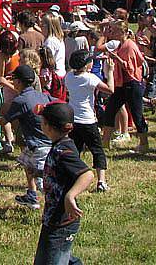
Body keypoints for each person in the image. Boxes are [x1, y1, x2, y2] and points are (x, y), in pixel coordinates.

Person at [34, 103, 95, 265]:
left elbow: (87, 174)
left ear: (49, 127)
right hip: (53, 217)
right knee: (56, 256)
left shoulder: (64, 150)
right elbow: (63, 173)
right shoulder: (60, 145)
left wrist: (71, 195)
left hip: (61, 221)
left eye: (42, 120)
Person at [0, 64, 53, 210]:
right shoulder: (42, 95)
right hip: (43, 142)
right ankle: (31, 195)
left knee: (43, 182)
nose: (12, 82)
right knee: (27, 164)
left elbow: (4, 121)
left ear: (18, 82)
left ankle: (60, 206)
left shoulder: (20, 100)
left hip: (39, 145)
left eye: (13, 79)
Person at [65, 50, 111, 192]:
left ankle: (73, 178)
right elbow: (110, 89)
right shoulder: (90, 78)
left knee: (75, 150)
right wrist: (109, 72)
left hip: (74, 120)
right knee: (97, 150)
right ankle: (101, 181)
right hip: (87, 120)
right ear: (85, 64)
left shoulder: (68, 77)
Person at [100, 21, 149, 153]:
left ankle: (144, 144)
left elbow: (131, 67)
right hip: (121, 84)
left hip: (132, 84)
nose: (112, 33)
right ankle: (105, 143)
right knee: (110, 110)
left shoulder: (129, 45)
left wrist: (117, 58)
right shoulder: (121, 45)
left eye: (115, 31)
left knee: (137, 114)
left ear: (122, 32)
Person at [41, 12, 66, 78]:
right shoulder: (57, 38)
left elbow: (47, 61)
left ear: (49, 26)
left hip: (53, 76)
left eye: (42, 25)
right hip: (60, 72)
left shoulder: (50, 41)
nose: (40, 27)